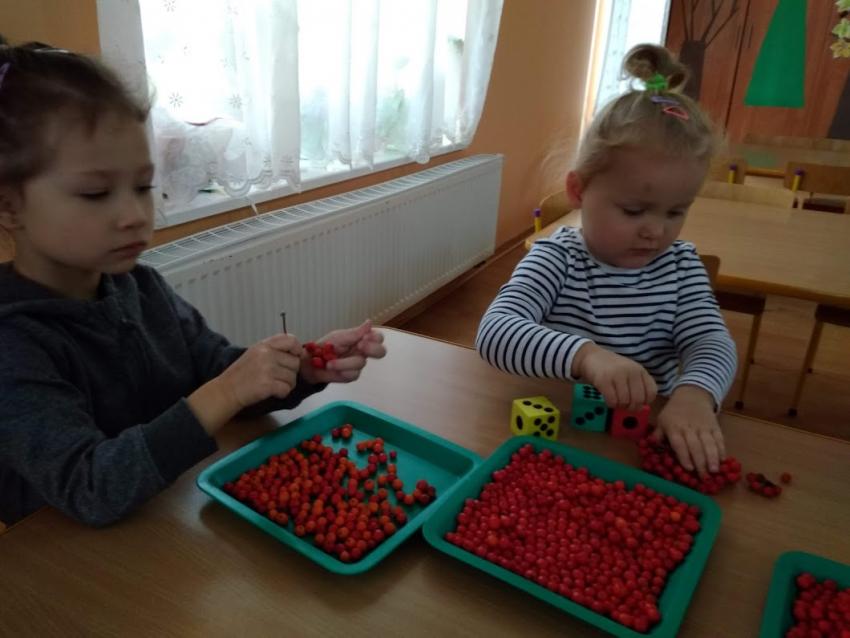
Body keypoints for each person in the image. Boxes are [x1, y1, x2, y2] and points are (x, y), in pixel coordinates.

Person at [0, 40, 385, 527]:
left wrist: (303, 367)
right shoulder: (13, 342)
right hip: (66, 560)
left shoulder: (142, 287)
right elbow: (91, 486)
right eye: (96, 192)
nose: (134, 214)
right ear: (9, 207)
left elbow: (217, 369)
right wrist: (225, 391)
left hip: (169, 520)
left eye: (143, 186)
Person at [476, 44, 736, 476]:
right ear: (578, 191)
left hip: (639, 442)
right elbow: (495, 333)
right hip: (557, 438)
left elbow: (711, 341)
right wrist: (586, 356)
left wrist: (696, 394)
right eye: (634, 211)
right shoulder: (556, 258)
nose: (656, 231)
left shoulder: (681, 266)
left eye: (676, 212)